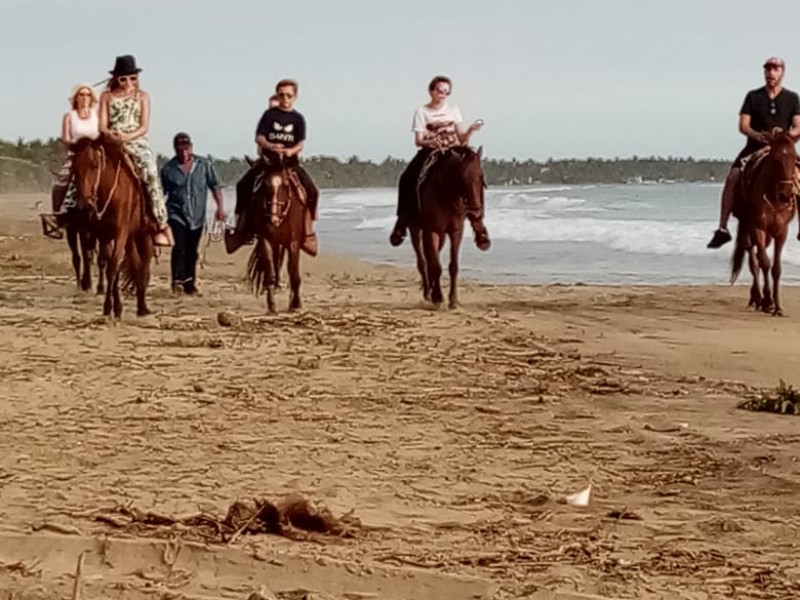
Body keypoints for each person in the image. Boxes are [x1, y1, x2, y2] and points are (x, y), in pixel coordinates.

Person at [707, 57, 800, 248]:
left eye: (775, 69)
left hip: (782, 149)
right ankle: (723, 228)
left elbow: (798, 127)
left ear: (782, 72)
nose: (771, 73)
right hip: (755, 146)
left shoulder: (792, 98)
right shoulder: (753, 97)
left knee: (798, 177)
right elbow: (743, 125)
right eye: (768, 69)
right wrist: (759, 136)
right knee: (733, 177)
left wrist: (783, 135)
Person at [389, 75, 490, 250]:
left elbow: (462, 139)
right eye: (440, 91)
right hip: (431, 151)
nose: (443, 94)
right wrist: (431, 142)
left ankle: (478, 225)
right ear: (432, 91)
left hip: (453, 151)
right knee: (406, 177)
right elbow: (419, 140)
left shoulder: (453, 110)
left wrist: (470, 131)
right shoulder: (422, 112)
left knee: (474, 177)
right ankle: (402, 221)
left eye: (446, 92)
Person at [227, 79, 319, 254]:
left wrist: (292, 150)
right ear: (278, 95)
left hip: (290, 165)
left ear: (295, 97)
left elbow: (301, 142)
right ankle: (241, 230)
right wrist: (270, 146)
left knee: (313, 191)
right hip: (268, 164)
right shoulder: (269, 115)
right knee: (242, 185)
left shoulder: (298, 118)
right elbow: (259, 137)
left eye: (289, 95)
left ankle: (307, 234)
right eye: (282, 95)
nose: (285, 99)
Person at [98, 54, 173, 246]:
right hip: (110, 140)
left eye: (132, 77)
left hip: (135, 141)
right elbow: (102, 125)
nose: (128, 82)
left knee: (150, 170)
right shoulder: (106, 97)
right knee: (86, 164)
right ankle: (69, 210)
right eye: (123, 78)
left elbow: (143, 127)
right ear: (116, 78)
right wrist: (111, 136)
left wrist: (126, 137)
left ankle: (160, 222)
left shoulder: (142, 97)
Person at [160, 132, 225, 295]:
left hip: (197, 215)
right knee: (179, 247)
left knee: (192, 250)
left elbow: (215, 187)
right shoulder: (168, 169)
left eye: (186, 147)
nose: (183, 151)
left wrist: (220, 208)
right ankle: (177, 282)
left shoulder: (204, 165)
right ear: (175, 149)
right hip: (177, 214)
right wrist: (158, 216)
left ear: (191, 147)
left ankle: (190, 282)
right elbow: (162, 193)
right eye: (180, 148)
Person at [40, 84, 100, 238]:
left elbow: (102, 134)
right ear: (76, 99)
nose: (85, 98)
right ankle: (58, 216)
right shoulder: (69, 117)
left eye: (88, 95)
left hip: (96, 155)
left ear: (92, 98)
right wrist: (78, 143)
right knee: (61, 183)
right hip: (76, 154)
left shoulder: (97, 115)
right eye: (81, 95)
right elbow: (65, 138)